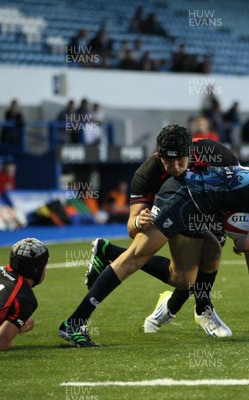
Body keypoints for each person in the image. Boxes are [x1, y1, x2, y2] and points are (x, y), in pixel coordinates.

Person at [59, 161, 249, 347]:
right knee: (136, 259)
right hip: (186, 200)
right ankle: (75, 322)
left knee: (189, 272)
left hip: (194, 202)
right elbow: (247, 241)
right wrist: (245, 247)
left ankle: (107, 252)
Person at [84, 125, 239, 338]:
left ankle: (166, 308)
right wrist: (139, 221)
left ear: (190, 153)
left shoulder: (217, 155)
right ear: (159, 155)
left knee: (190, 272)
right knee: (197, 262)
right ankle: (202, 309)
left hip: (211, 209)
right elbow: (131, 227)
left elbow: (241, 188)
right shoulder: (147, 173)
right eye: (168, 161)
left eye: (180, 161)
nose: (174, 167)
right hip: (172, 213)